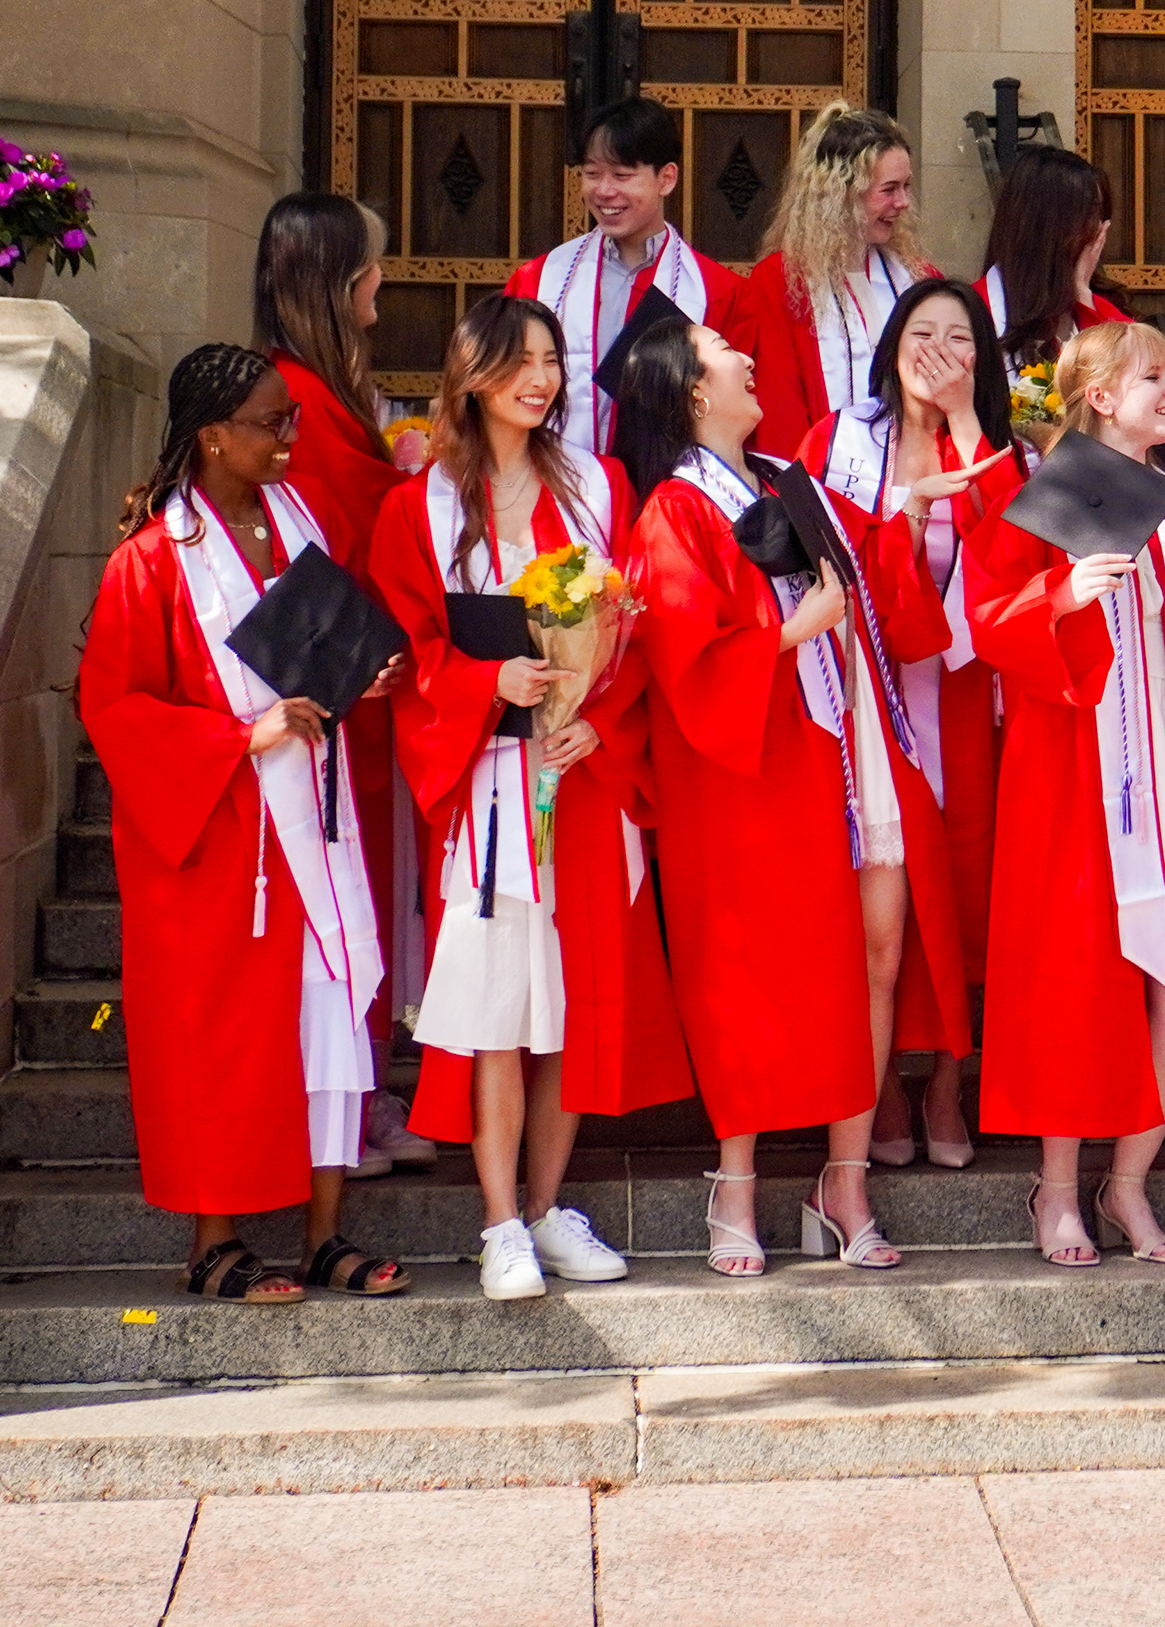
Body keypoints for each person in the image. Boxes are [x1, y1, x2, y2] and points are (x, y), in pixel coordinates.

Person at [77, 345, 409, 1305]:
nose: (290, 438)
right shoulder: (152, 562)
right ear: (214, 436)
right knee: (221, 1037)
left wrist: (364, 674)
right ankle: (214, 1241)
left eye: (291, 419)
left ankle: (324, 1235)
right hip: (225, 834)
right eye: (272, 422)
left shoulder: (302, 521)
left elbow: (326, 643)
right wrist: (239, 734)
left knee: (330, 1024)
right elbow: (114, 707)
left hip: (317, 817)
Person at [967, 322, 1165, 1268]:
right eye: (1154, 376)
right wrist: (1060, 597)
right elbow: (988, 623)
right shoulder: (1046, 497)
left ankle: (1129, 1181)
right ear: (1101, 396)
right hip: (1080, 775)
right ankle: (1058, 1190)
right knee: (1077, 987)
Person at [369, 296, 663, 1301]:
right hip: (487, 784)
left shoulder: (598, 484)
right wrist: (485, 682)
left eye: (551, 360)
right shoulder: (418, 506)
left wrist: (600, 719)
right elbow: (409, 649)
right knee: (499, 1007)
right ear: (473, 375)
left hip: (579, 780)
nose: (541, 379)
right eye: (519, 361)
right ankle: (499, 1222)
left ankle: (545, 1207)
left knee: (570, 1005)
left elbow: (638, 627)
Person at [607, 312, 899, 1274]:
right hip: (731, 771)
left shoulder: (782, 482)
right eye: (723, 353)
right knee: (740, 971)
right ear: (695, 390)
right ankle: (733, 1184)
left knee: (835, 964)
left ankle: (842, 1180)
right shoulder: (675, 508)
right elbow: (683, 652)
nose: (744, 357)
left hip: (814, 750)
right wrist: (795, 630)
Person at [796, 276, 1012, 1173]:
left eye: (959, 339)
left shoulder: (998, 449)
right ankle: (878, 1079)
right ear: (890, 347)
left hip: (961, 693)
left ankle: (949, 1080)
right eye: (921, 334)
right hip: (865, 693)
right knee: (874, 900)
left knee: (966, 888)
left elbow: (1014, 555)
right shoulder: (839, 440)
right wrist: (907, 515)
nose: (937, 353)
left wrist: (965, 424)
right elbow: (810, 556)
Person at [250, 191, 433, 1165]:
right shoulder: (295, 397)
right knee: (341, 901)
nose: (382, 285)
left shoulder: (322, 391)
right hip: (332, 690)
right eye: (370, 267)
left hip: (353, 685)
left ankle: (361, 1092)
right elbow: (324, 541)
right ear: (338, 280)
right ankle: (346, 1103)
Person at [507, 97, 728, 460]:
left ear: (666, 178)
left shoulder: (716, 291)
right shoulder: (540, 280)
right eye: (592, 174)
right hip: (555, 480)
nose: (604, 190)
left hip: (665, 488)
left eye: (622, 175)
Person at [726, 107, 931, 465]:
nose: (903, 202)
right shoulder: (780, 283)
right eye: (888, 189)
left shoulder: (919, 279)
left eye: (906, 186)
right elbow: (779, 412)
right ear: (841, 193)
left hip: (915, 473)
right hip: (822, 478)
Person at [978, 144, 1130, 386]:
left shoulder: (1103, 309)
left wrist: (1083, 295)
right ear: (1048, 226)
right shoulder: (972, 311)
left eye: (1101, 217)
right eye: (1091, 216)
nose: (1099, 231)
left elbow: (1134, 380)